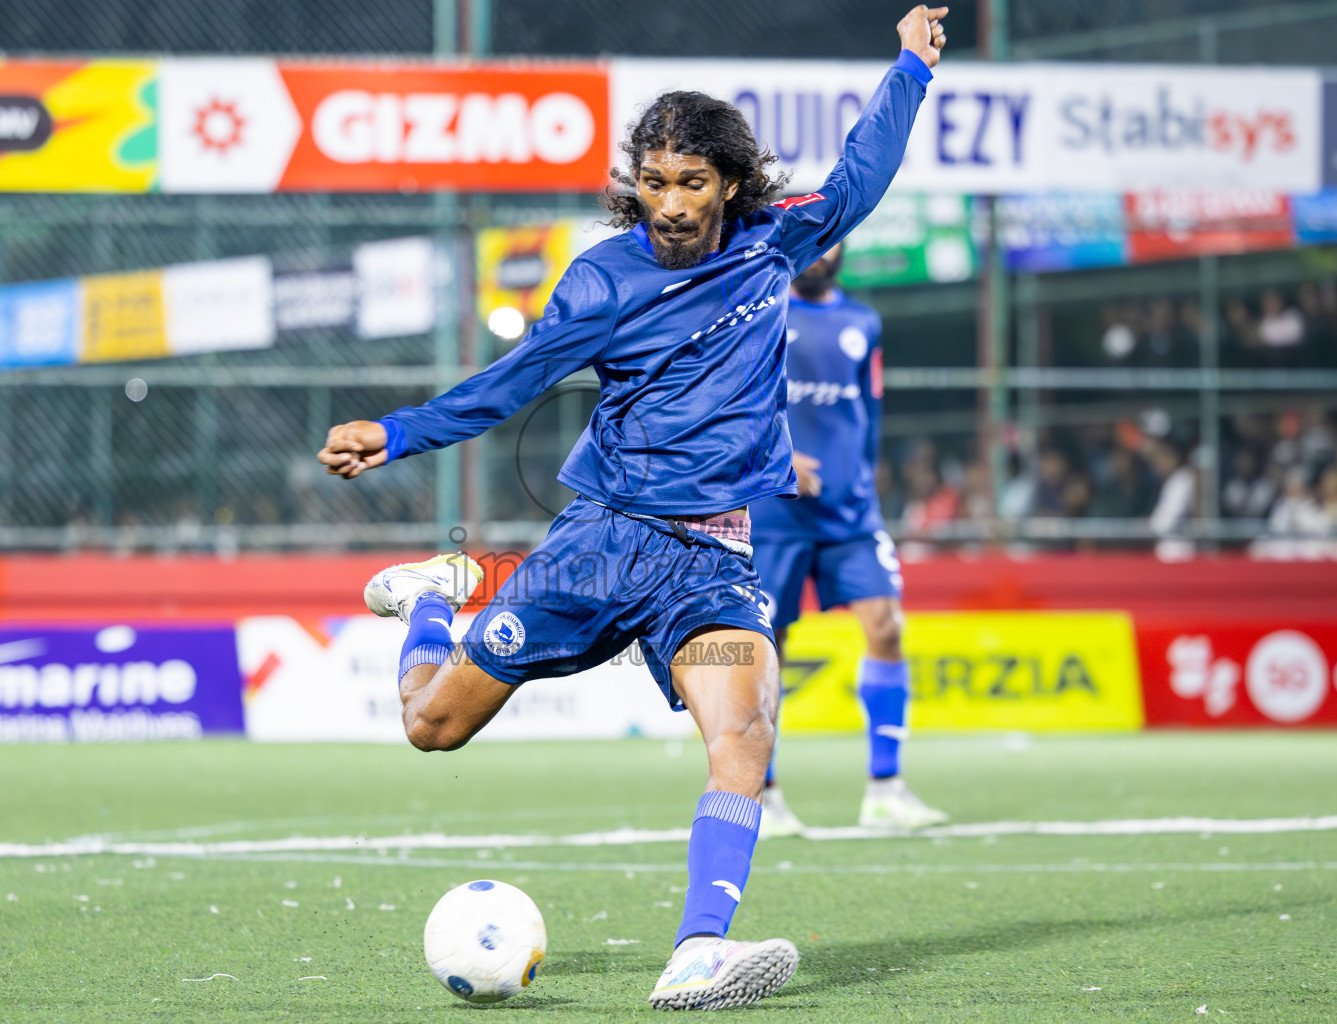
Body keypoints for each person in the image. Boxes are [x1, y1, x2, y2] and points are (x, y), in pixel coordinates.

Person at [317, 7, 946, 1011]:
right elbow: (511, 383)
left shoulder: (773, 245)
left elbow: (864, 168)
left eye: (691, 183)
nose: (669, 203)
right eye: (653, 183)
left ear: (730, 184)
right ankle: (431, 602)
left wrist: (911, 66)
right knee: (432, 727)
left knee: (744, 735)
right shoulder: (602, 280)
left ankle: (698, 949)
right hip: (601, 546)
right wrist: (397, 433)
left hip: (712, 562)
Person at [748, 243, 947, 838]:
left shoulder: (863, 321)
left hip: (852, 513)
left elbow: (869, 413)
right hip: (776, 510)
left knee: (887, 626)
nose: (823, 251)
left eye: (835, 239)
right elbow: (732, 404)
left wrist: (865, 476)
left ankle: (886, 790)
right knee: (765, 648)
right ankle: (761, 792)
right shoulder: (759, 312)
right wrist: (778, 457)